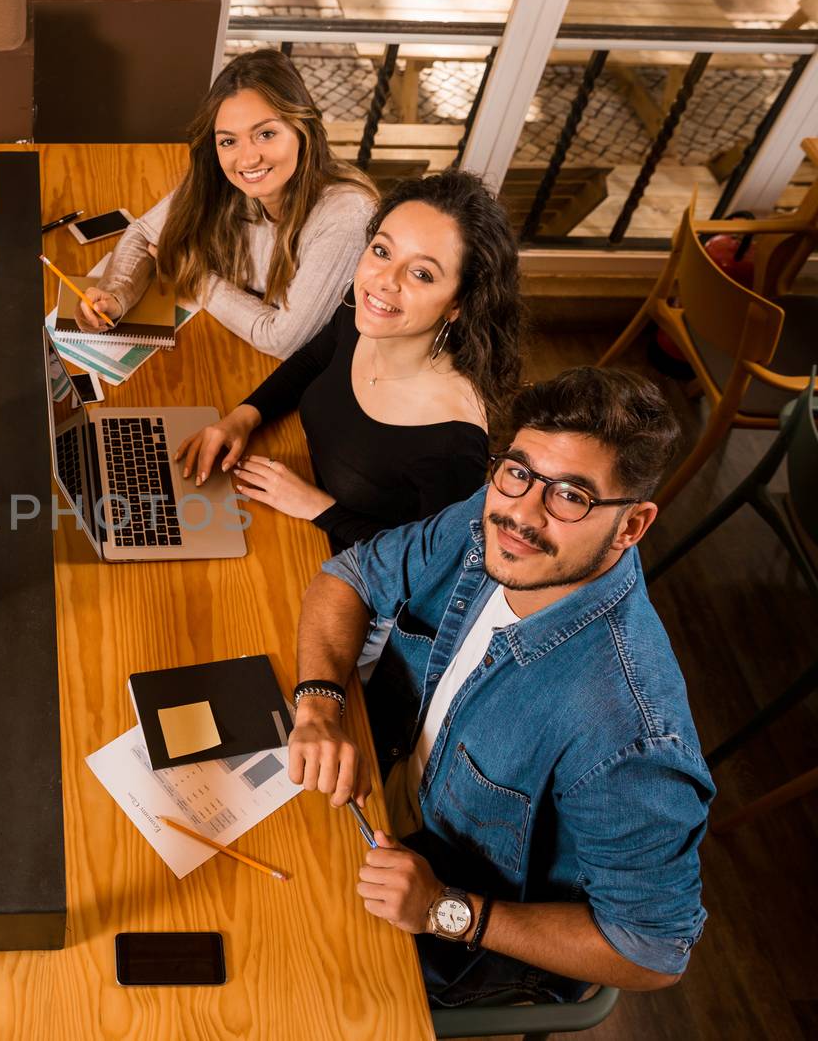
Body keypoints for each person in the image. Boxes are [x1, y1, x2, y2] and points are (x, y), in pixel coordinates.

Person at [286, 367, 713, 1006]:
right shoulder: (493, 520)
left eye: (571, 495)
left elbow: (651, 950)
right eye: (518, 471)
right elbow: (350, 575)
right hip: (369, 800)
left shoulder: (628, 733)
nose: (522, 513)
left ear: (631, 526)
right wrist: (320, 703)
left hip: (447, 927)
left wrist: (447, 910)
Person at [176, 170, 525, 553]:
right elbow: (314, 358)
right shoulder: (365, 314)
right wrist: (242, 418)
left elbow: (433, 561)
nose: (384, 281)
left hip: (346, 569)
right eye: (381, 251)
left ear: (458, 303)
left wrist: (317, 506)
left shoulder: (453, 441)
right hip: (288, 507)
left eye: (422, 274)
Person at [75, 49, 377, 359]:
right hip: (240, 351)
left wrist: (197, 277)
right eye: (228, 141)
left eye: (266, 134)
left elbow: (284, 341)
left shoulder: (346, 216)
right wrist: (116, 294)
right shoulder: (225, 178)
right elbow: (144, 234)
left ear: (302, 129)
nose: (247, 159)